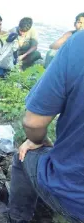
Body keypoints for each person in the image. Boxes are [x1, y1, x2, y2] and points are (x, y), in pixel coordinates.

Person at [8, 31, 84, 222]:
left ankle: (18, 219)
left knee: (23, 155)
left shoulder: (79, 44)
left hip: (75, 196)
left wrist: (39, 141)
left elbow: (33, 122)